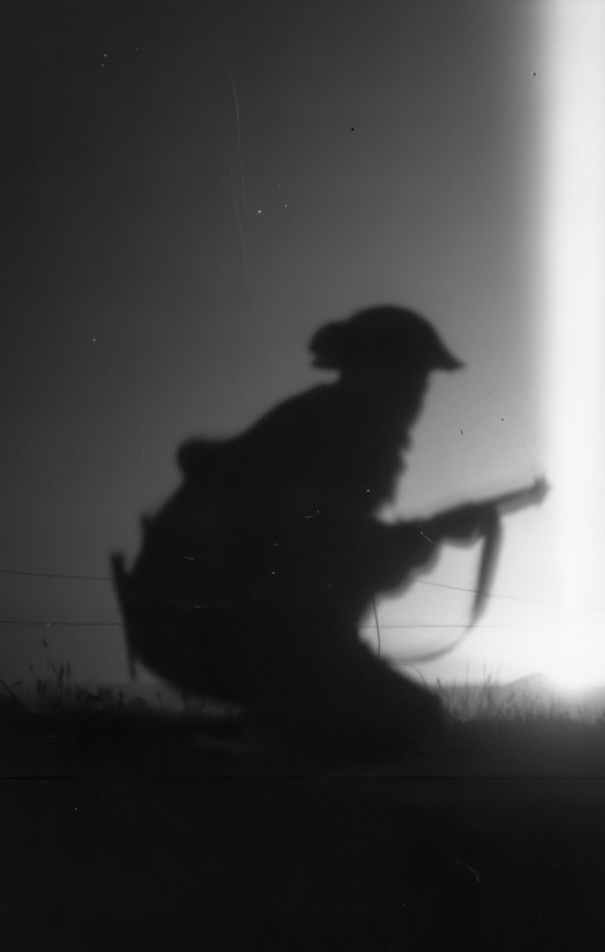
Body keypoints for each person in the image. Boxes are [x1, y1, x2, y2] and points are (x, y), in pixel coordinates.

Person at [114, 306, 489, 760]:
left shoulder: (322, 422)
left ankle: (263, 736)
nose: (413, 396)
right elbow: (333, 557)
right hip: (211, 630)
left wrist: (427, 532)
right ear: (366, 368)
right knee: (409, 726)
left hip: (196, 625)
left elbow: (334, 547)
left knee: (396, 722)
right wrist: (429, 534)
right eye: (405, 376)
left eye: (419, 382)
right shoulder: (343, 434)